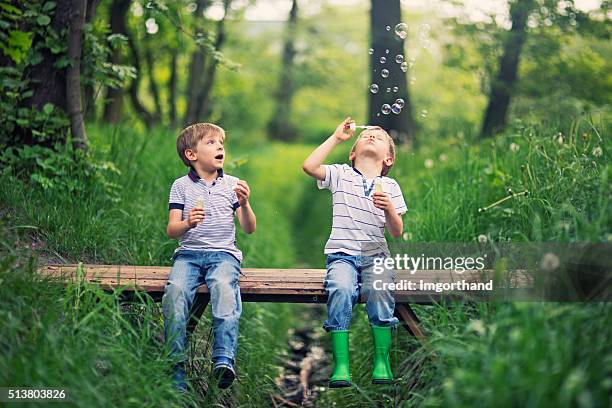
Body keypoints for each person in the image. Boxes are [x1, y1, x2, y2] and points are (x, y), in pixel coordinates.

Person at [302, 117, 407, 387]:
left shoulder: (391, 187)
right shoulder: (340, 174)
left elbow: (396, 232)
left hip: (377, 257)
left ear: (388, 160)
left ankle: (381, 362)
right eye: (367, 135)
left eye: (380, 137)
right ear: (353, 152)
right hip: (341, 255)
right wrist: (336, 137)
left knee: (381, 291)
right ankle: (341, 365)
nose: (371, 136)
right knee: (340, 288)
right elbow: (309, 166)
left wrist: (390, 210)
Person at [163, 123, 256, 391]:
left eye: (221, 144)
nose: (220, 147)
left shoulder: (232, 185)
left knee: (225, 291)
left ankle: (223, 360)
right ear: (191, 155)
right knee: (175, 291)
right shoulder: (180, 186)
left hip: (224, 255)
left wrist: (246, 204)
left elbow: (249, 228)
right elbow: (172, 230)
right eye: (212, 143)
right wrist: (188, 223)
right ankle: (175, 364)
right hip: (188, 256)